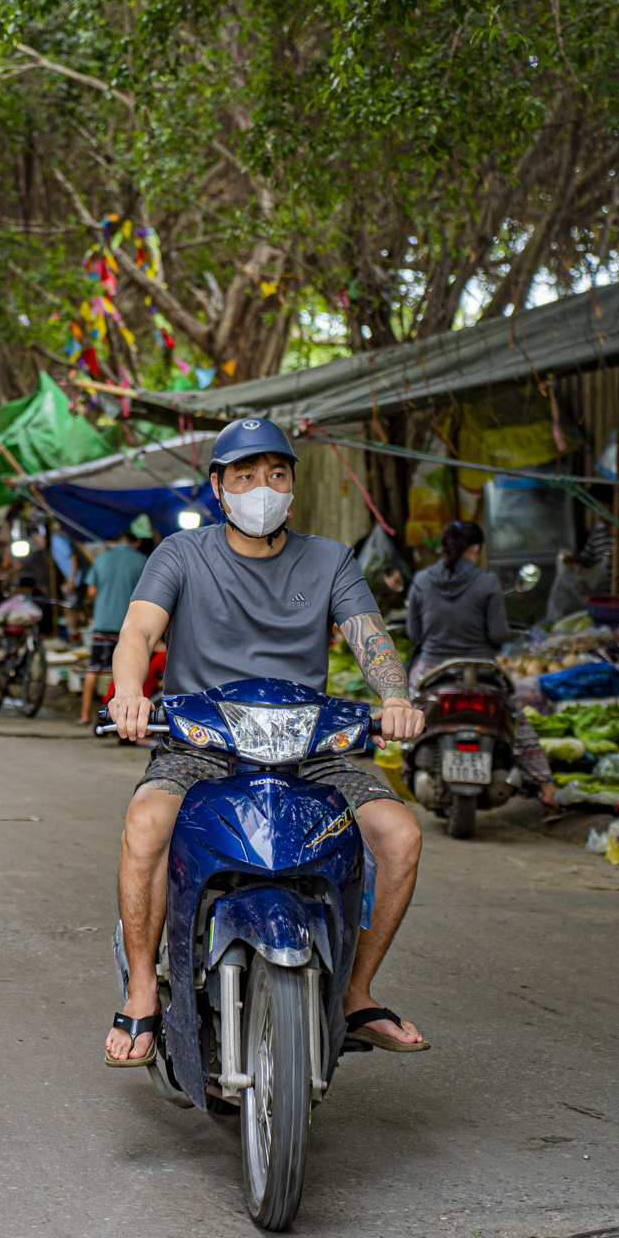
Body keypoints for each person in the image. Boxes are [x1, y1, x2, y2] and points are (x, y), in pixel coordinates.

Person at [105, 418, 428, 1068]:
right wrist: (130, 691)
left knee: (399, 834)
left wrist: (395, 695)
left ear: (292, 485)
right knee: (145, 826)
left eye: (276, 474)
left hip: (311, 747)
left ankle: (354, 995)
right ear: (218, 488)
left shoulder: (330, 557)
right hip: (202, 742)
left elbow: (372, 638)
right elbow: (137, 632)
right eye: (246, 476)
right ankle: (143, 987)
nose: (263, 488)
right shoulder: (180, 554)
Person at [407, 521, 562, 820]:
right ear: (475, 549)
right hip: (482, 670)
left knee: (407, 713)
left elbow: (414, 633)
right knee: (516, 723)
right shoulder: (487, 582)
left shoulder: (422, 580)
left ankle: (406, 761)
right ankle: (547, 789)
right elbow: (498, 636)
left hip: (431, 669)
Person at [78, 529, 150, 726]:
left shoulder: (102, 559)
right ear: (135, 543)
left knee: (94, 668)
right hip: (129, 624)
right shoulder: (143, 560)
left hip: (102, 622)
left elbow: (91, 591)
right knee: (122, 672)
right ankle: (119, 719)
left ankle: (84, 714)